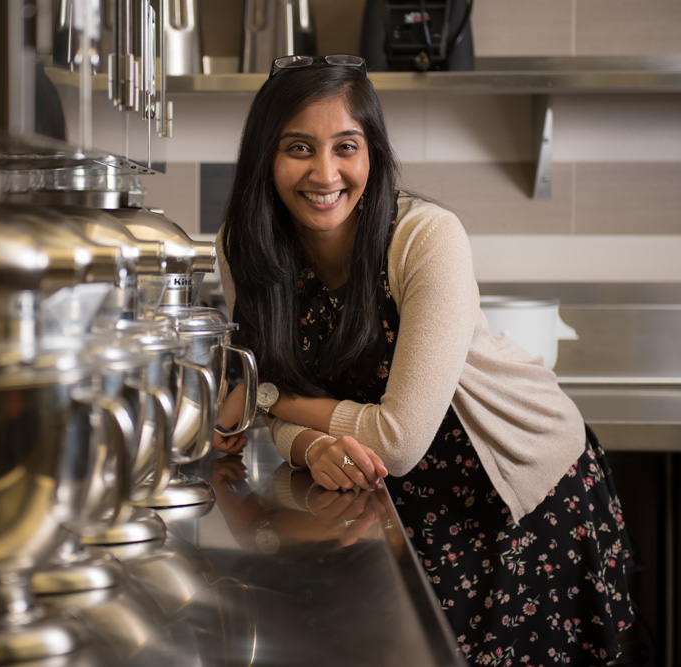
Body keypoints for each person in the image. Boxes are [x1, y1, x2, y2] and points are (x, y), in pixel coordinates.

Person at [213, 54, 635, 666]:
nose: (324, 172)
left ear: (373, 154)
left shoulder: (425, 237)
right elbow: (267, 405)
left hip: (521, 500)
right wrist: (306, 443)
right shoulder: (243, 247)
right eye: (298, 148)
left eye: (346, 147)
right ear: (265, 158)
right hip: (397, 506)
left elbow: (398, 438)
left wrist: (264, 400)